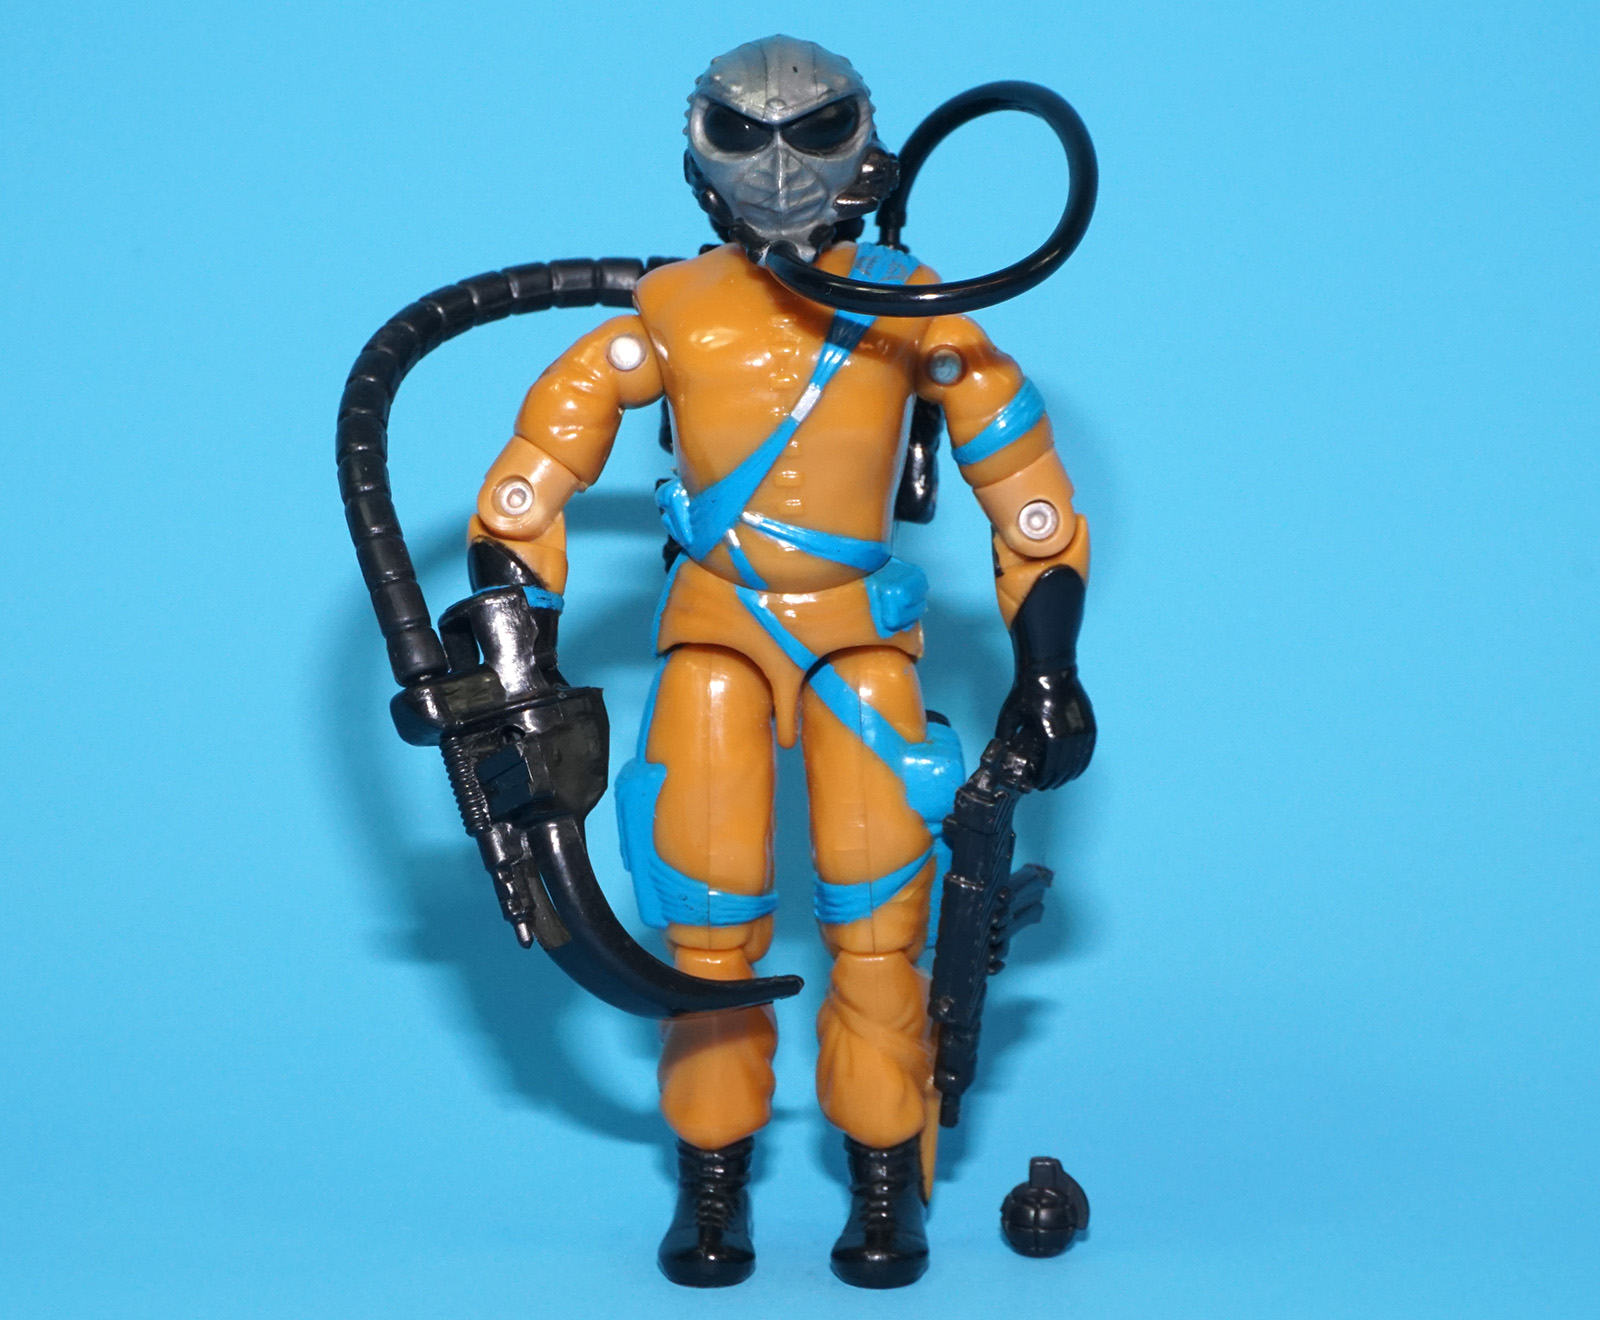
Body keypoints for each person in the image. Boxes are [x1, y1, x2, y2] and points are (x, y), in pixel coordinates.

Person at [465, 35, 1095, 1289]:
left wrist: (1046, 666)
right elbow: (535, 473)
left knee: (882, 926)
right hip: (716, 643)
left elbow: (1025, 488)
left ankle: (881, 1177)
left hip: (860, 648)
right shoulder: (670, 313)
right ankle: (712, 1181)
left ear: (864, 151)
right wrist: (511, 643)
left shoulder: (912, 312)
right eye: (743, 135)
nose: (778, 166)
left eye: (812, 133)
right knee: (704, 928)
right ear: (699, 157)